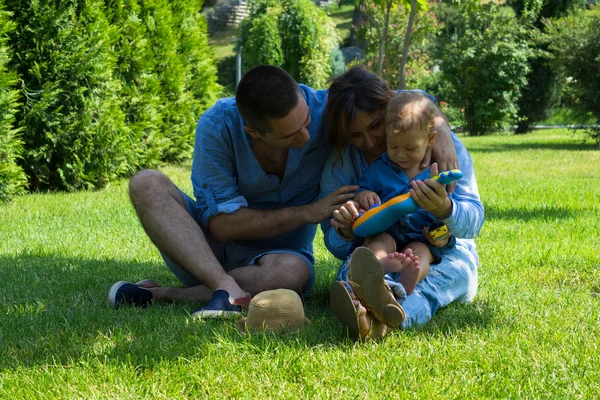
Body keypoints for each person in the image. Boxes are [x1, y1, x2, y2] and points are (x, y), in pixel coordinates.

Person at [107, 64, 457, 318]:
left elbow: (401, 101)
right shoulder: (218, 127)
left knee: (295, 274)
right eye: (290, 136)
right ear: (254, 132)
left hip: (280, 263)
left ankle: (167, 296)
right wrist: (310, 212)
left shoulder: (324, 111)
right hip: (205, 253)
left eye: (306, 124)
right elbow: (220, 226)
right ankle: (222, 285)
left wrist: (437, 126)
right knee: (146, 182)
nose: (305, 136)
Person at [322, 66, 484, 339]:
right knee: (355, 269)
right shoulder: (344, 164)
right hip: (381, 247)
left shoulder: (441, 150)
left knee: (434, 281)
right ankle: (371, 304)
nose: (371, 141)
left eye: (375, 126)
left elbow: (474, 220)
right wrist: (345, 230)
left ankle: (380, 318)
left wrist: (446, 210)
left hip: (440, 250)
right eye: (356, 135)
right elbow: (333, 241)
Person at [351, 91, 457, 297]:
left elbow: (447, 210)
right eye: (393, 146)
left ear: (430, 139)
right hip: (389, 231)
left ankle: (411, 278)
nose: (400, 154)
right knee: (379, 242)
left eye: (410, 148)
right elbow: (362, 188)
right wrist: (362, 196)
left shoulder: (437, 172)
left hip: (422, 236)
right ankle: (380, 266)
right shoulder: (380, 167)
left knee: (421, 255)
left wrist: (441, 235)